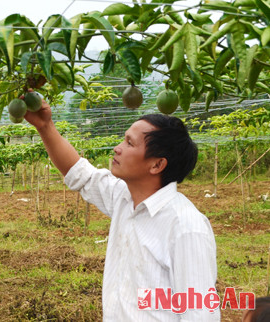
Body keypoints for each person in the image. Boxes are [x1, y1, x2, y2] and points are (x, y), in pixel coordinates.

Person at [23, 95, 219, 321]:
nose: (117, 148)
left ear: (157, 164)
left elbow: (199, 314)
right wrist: (45, 126)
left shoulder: (186, 227)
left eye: (129, 143)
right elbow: (80, 173)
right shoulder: (124, 198)